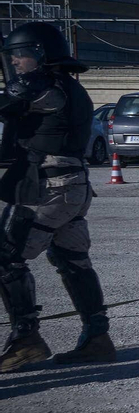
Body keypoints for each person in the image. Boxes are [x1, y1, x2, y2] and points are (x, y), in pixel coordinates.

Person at [0, 21, 116, 371]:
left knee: (5, 255)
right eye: (13, 56)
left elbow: (9, 103)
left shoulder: (47, 88)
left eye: (21, 55)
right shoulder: (65, 87)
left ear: (41, 55)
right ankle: (97, 338)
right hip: (70, 187)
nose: (16, 62)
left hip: (51, 187)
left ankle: (26, 339)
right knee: (72, 259)